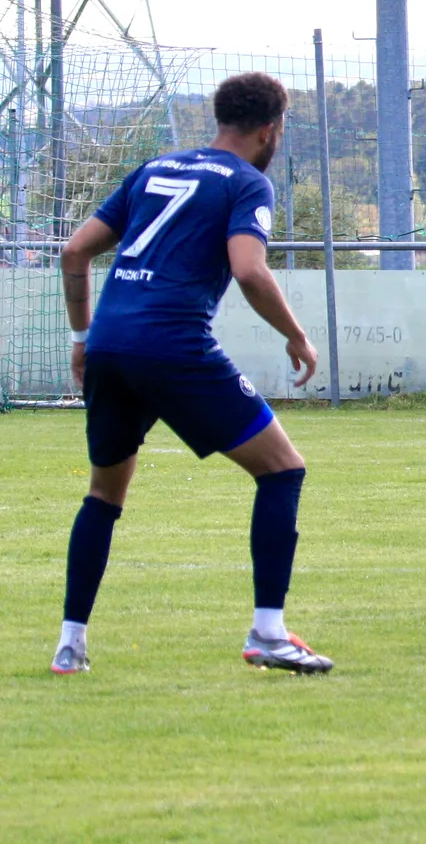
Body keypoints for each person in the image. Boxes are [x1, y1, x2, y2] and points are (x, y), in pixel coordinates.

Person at [50, 72, 331, 675]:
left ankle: (70, 645)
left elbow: (75, 251)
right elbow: (250, 270)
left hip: (110, 344)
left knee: (103, 494)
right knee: (284, 470)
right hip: (174, 345)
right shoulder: (248, 183)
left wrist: (82, 338)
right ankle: (268, 632)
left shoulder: (154, 170)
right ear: (270, 129)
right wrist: (295, 334)